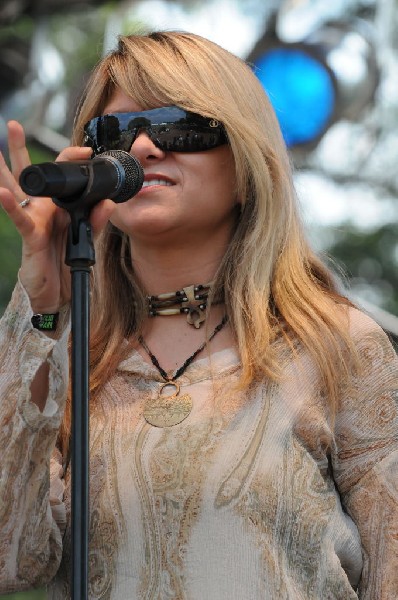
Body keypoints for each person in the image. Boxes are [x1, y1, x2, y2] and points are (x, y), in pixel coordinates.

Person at [0, 30, 397, 600]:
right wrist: (39, 309)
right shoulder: (64, 354)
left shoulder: (337, 344)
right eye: (115, 132)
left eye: (176, 124)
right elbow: (11, 560)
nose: (142, 148)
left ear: (245, 162)